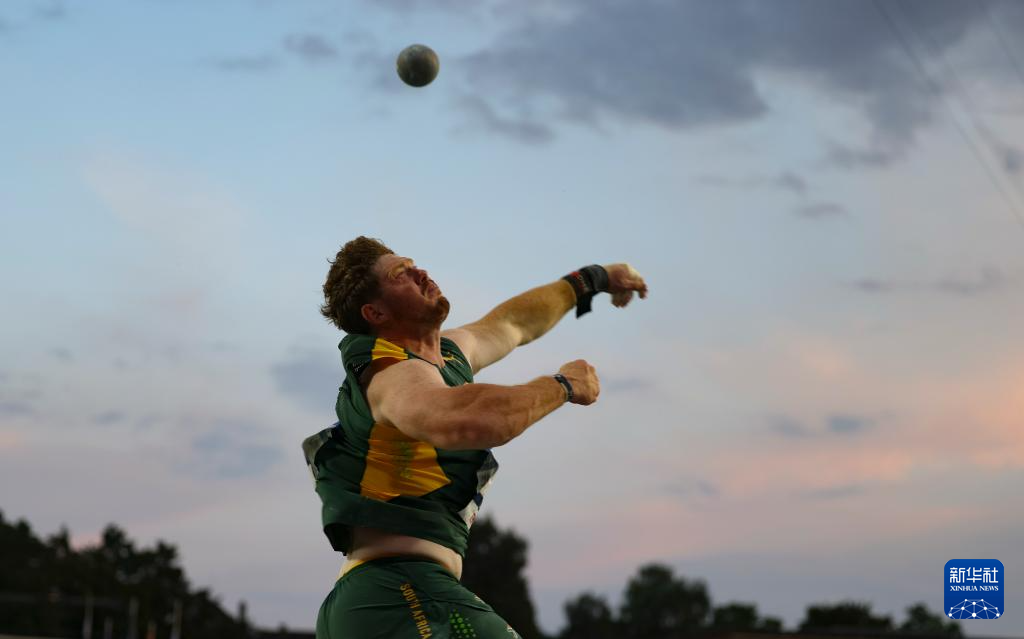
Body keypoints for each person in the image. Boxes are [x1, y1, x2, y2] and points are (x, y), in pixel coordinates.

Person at [304, 236, 649, 639]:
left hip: (383, 599)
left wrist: (592, 279)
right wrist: (563, 385)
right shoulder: (391, 375)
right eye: (401, 274)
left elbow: (513, 323)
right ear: (375, 312)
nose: (420, 273)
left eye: (413, 264)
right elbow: (464, 420)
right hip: (396, 596)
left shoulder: (447, 356)